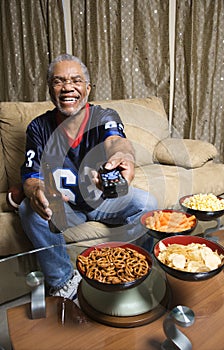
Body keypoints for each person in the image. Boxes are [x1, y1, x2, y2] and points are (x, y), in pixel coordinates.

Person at [19, 54, 157, 301]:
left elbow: (117, 142)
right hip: (65, 207)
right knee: (27, 210)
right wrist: (36, 189)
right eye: (58, 81)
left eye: (76, 80)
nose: (68, 87)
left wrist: (123, 157)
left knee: (148, 205)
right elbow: (31, 177)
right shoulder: (38, 127)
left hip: (102, 200)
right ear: (50, 89)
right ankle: (63, 283)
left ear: (88, 88)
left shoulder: (104, 116)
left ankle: (130, 267)